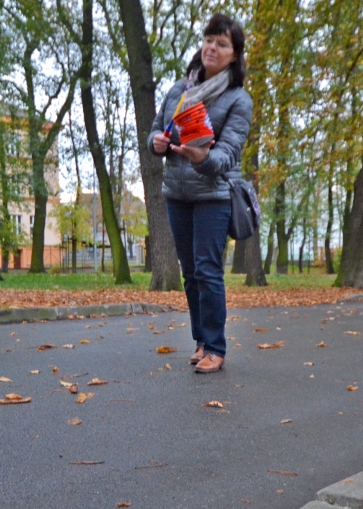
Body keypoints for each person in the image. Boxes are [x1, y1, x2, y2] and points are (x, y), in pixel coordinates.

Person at [149, 13, 252, 374]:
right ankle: (200, 341)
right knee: (190, 273)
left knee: (209, 272)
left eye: (222, 43)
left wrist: (203, 157)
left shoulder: (239, 100)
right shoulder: (180, 89)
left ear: (234, 55)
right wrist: (157, 143)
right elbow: (155, 130)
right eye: (209, 39)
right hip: (177, 193)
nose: (212, 47)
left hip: (213, 195)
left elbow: (228, 155)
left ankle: (216, 347)